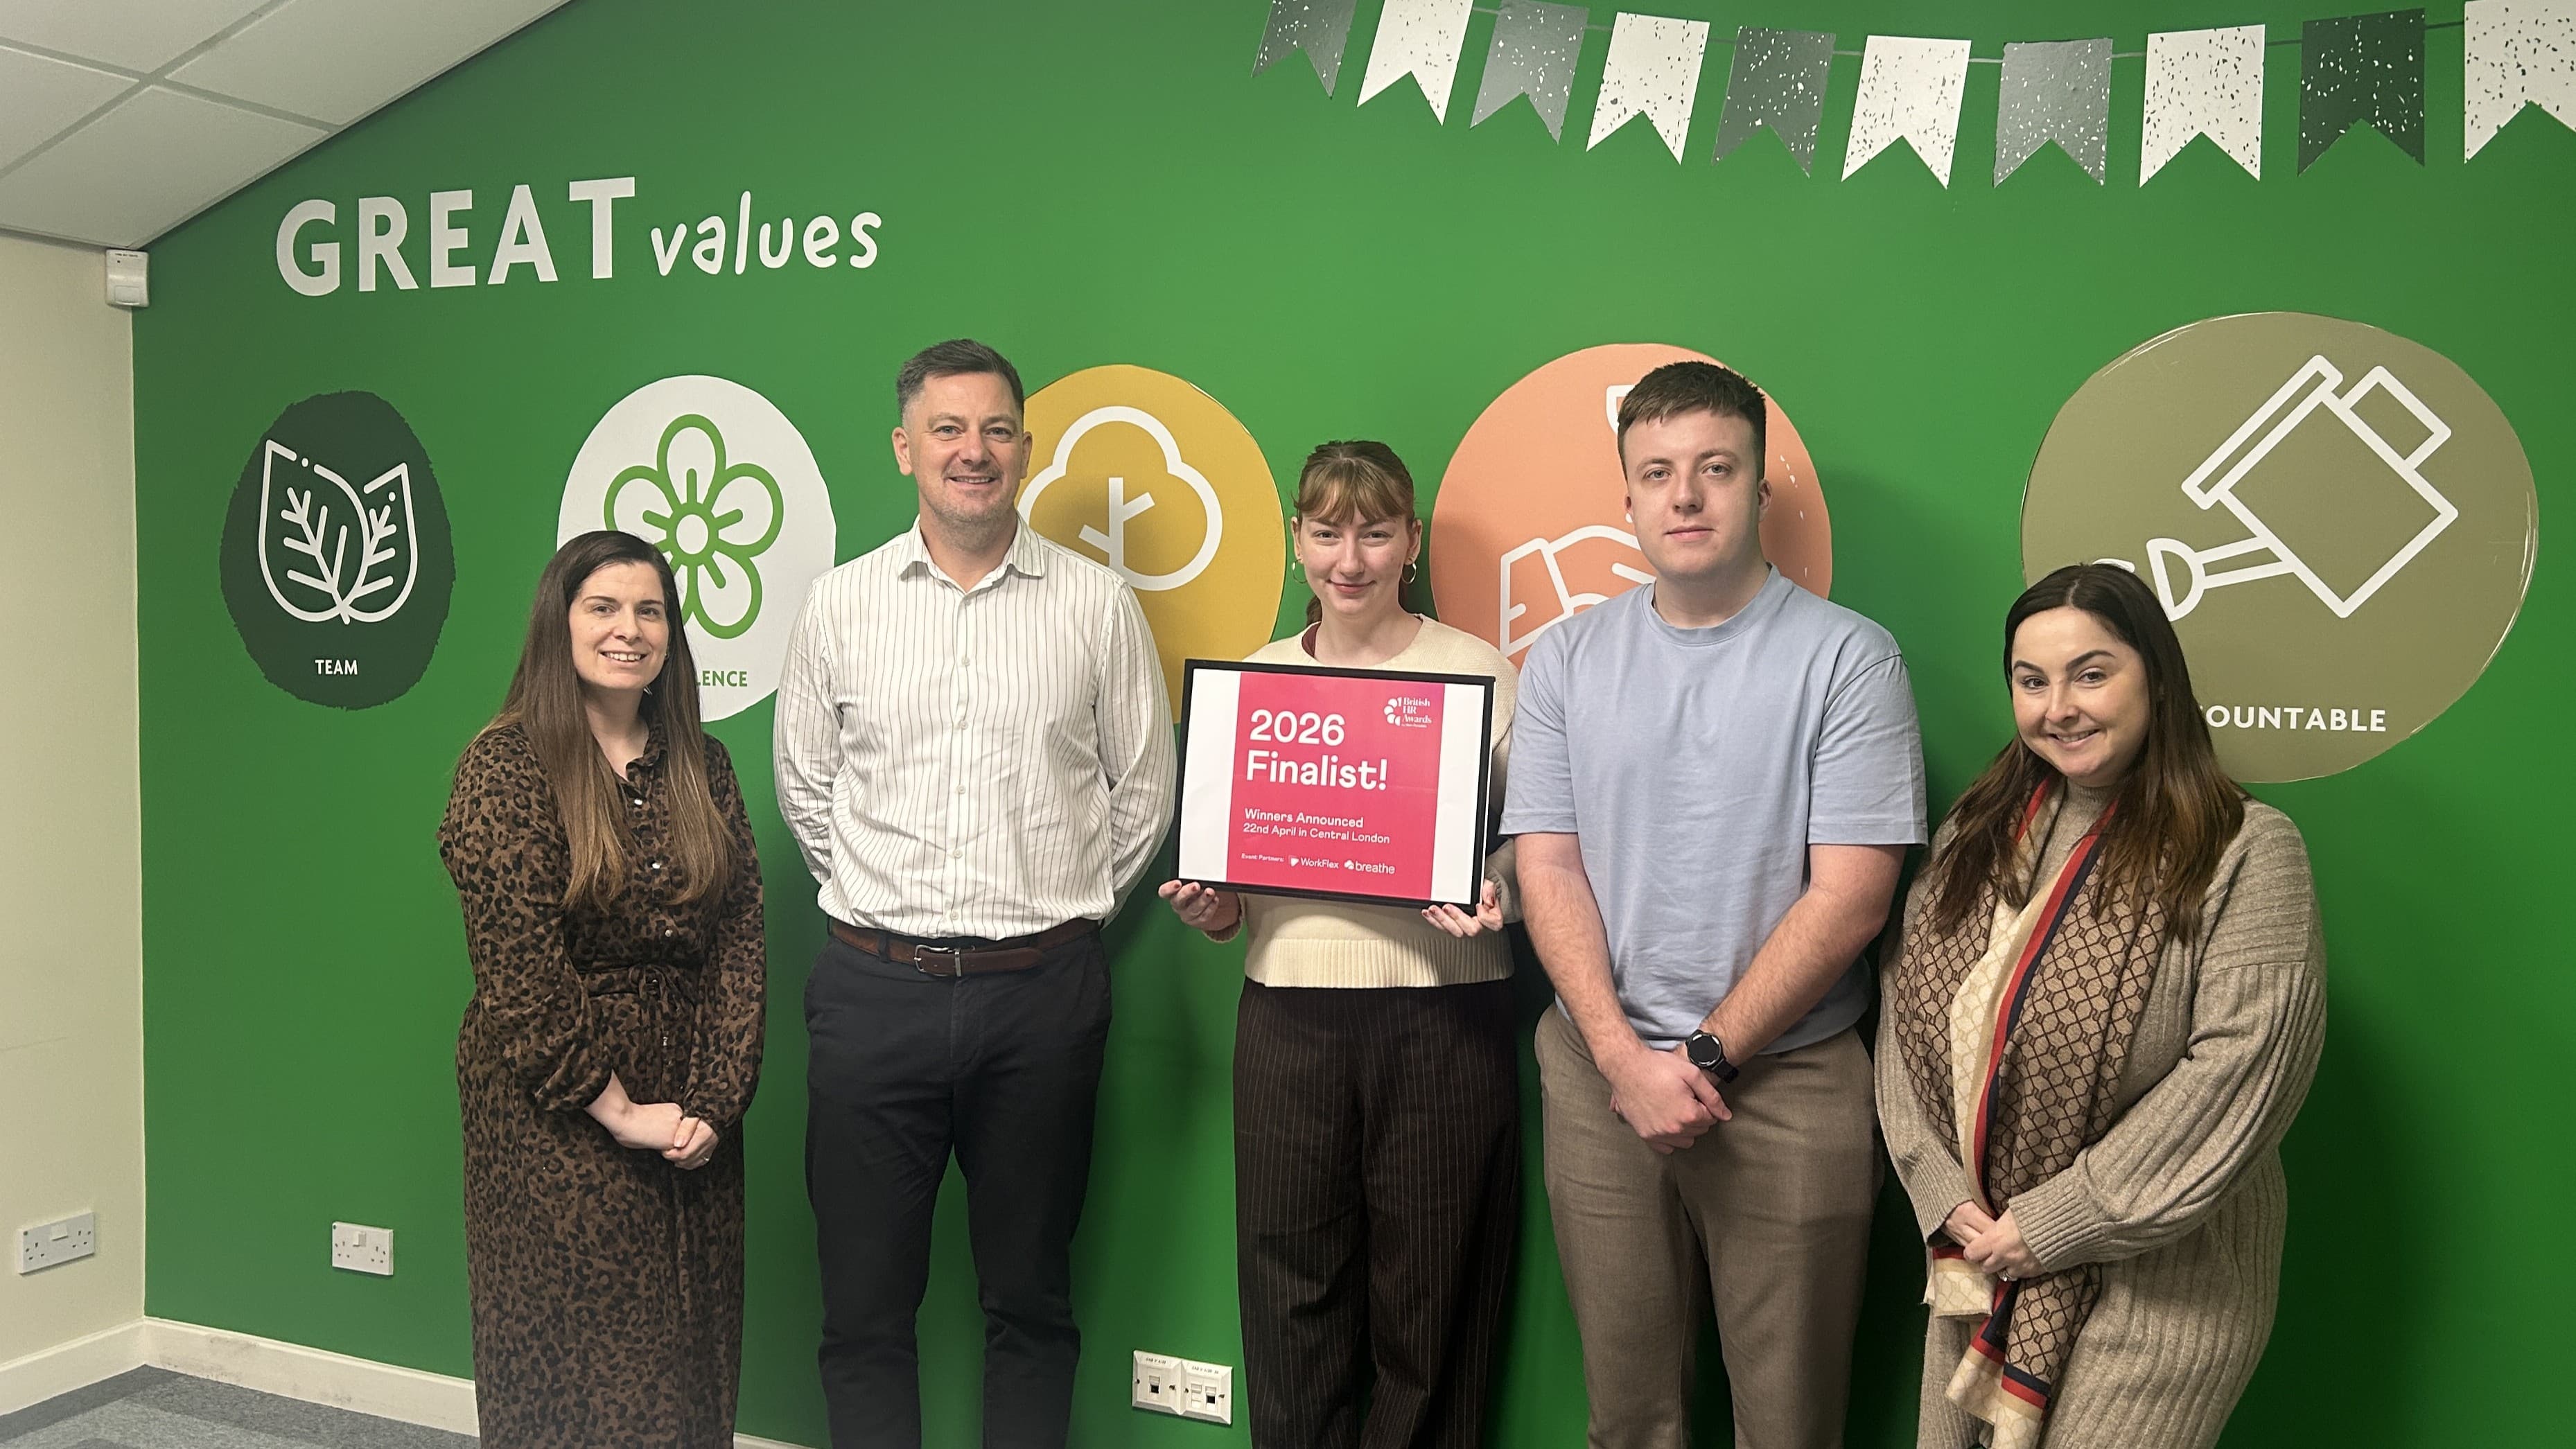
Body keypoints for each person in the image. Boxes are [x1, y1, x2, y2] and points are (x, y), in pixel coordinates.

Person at [1502, 360, 1925, 1449]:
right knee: (1629, 1418)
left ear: (1758, 489)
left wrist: (1705, 1054)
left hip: (1787, 1084)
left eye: (1714, 468)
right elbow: (1545, 867)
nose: (1685, 496)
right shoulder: (1564, 659)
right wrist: (1620, 1057)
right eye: (1658, 473)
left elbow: (1851, 898)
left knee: (1787, 1425)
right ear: (1629, 498)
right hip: (1601, 1080)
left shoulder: (1849, 658)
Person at [774, 338, 1176, 1448]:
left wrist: (1062, 911)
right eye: (948, 429)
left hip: (1039, 996)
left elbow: (1142, 790)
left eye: (996, 429)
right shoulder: (842, 604)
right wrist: (881, 898)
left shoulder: (1095, 605)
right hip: (872, 991)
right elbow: (807, 789)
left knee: (1031, 1305)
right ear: (905, 447)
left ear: (1026, 450)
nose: (973, 451)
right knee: (861, 1311)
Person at [1876, 563, 2327, 1449]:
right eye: (2031, 681)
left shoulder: (2244, 851)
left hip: (2160, 1288)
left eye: (2092, 673)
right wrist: (1937, 1189)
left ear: (2156, 676)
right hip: (1979, 1258)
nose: (2060, 708)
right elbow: (1906, 1017)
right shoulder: (1976, 835)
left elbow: (2237, 1081)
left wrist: (2049, 1226)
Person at [1161, 441, 1521, 1449]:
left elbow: (1536, 852)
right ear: (1296, 542)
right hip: (1287, 1015)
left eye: (1373, 531)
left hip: (1446, 1014)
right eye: (1327, 532)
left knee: (1435, 1286)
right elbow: (1240, 894)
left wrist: (1503, 892)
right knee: (1289, 1284)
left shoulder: (1480, 672)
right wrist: (1214, 909)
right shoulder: (1253, 686)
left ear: (1410, 539)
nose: (1349, 558)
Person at [438, 529, 767, 1449]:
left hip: (690, 1108)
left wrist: (714, 1099)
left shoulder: (705, 763)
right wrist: (619, 1109)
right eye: (604, 607)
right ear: (561, 622)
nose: (630, 629)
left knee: (689, 1354)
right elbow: (519, 967)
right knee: (585, 1361)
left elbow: (739, 933)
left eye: (650, 609)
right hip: (556, 1107)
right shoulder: (505, 766)